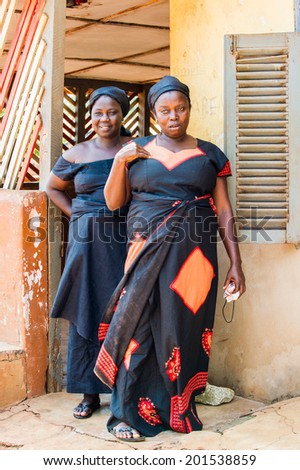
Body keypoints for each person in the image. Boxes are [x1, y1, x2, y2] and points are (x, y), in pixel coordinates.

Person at [94, 76, 246, 441]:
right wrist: (118, 161)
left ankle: (178, 406)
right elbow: (114, 202)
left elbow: (223, 209)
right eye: (165, 110)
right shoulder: (136, 150)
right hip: (145, 254)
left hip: (195, 260)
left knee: (182, 330)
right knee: (137, 328)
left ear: (189, 109)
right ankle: (126, 414)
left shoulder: (210, 154)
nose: (174, 116)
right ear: (153, 114)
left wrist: (237, 264)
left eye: (180, 108)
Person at [46, 86, 131, 419]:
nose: (105, 119)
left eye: (111, 112)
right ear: (90, 116)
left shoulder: (135, 148)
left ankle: (126, 388)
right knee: (87, 309)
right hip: (86, 245)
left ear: (122, 115)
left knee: (126, 310)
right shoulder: (76, 154)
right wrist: (77, 214)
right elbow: (52, 187)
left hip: (125, 239)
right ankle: (89, 393)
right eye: (98, 113)